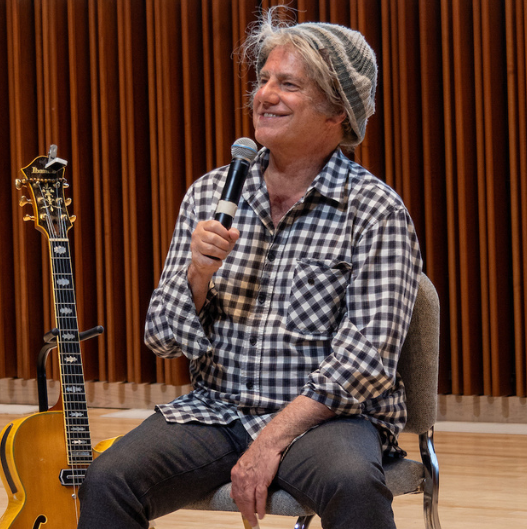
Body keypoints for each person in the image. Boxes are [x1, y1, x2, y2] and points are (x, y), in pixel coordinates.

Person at [78, 9, 422, 529]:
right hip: (219, 410)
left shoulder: (375, 210)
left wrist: (272, 439)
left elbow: (367, 359)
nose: (264, 95)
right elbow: (161, 338)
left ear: (338, 113)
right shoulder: (211, 194)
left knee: (353, 484)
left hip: (327, 419)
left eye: (288, 84)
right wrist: (197, 275)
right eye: (263, 80)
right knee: (107, 478)